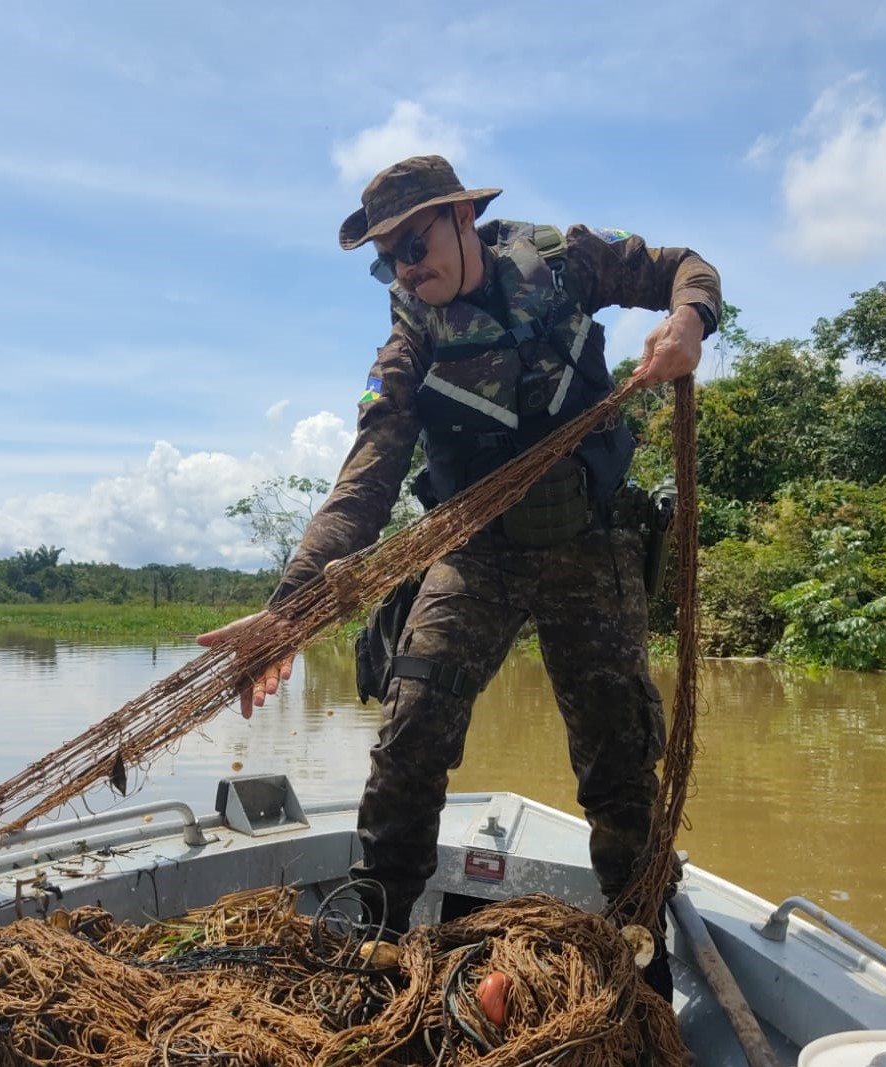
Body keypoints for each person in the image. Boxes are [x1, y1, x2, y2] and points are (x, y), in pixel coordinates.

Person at [199, 155, 719, 963]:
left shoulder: (562, 260)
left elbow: (682, 267)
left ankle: (637, 934)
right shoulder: (408, 345)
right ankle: (374, 935)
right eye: (388, 257)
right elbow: (364, 481)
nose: (406, 265)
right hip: (474, 553)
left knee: (619, 753)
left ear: (462, 217)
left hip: (588, 543)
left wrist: (688, 318)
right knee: (410, 733)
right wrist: (288, 610)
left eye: (416, 240)